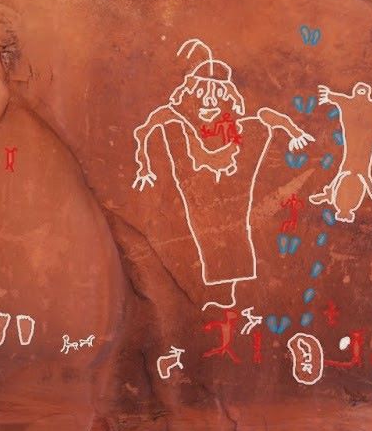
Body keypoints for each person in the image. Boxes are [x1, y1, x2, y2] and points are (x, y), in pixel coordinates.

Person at [133, 39, 312, 309]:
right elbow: (145, 129)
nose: (209, 102)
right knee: (205, 222)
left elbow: (267, 116)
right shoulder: (176, 121)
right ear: (188, 93)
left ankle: (229, 293)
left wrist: (294, 131)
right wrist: (144, 165)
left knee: (232, 222)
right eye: (202, 94)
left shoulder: (242, 127)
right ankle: (223, 293)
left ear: (229, 96)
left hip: (229, 171)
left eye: (217, 95)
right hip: (198, 171)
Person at [309, 83, 372, 223]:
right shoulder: (354, 103)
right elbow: (364, 179)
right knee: (351, 162)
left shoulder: (366, 105)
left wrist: (329, 95)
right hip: (357, 146)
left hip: (359, 146)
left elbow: (360, 178)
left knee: (350, 162)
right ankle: (327, 194)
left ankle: (327, 195)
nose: (360, 94)